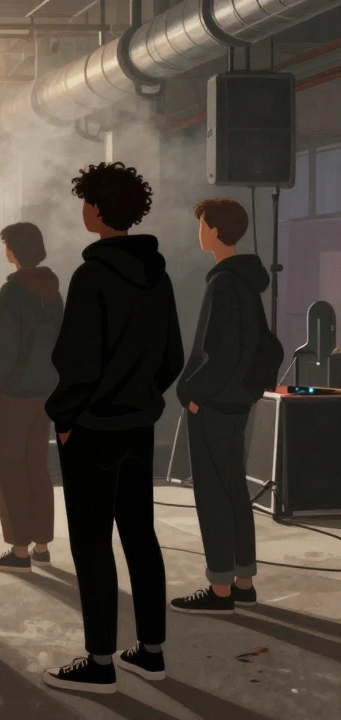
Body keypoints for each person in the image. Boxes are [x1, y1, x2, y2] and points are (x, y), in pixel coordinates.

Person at [42, 162, 184, 694]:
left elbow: (76, 361)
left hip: (92, 429)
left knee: (92, 544)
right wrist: (143, 398)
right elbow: (173, 355)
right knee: (141, 537)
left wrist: (66, 418)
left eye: (86, 203)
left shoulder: (92, 275)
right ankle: (151, 653)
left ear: (99, 210)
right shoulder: (160, 276)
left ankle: (99, 662)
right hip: (138, 427)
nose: (82, 211)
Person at [171, 199, 269, 615]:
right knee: (234, 491)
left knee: (213, 494)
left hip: (213, 405)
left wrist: (194, 394)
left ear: (213, 230)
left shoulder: (223, 282)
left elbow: (216, 350)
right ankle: (243, 580)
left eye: (202, 225)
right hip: (237, 403)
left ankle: (220, 590)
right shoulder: (246, 281)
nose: (199, 232)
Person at [0, 222, 63, 574]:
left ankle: (19, 550)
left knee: (10, 470)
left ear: (13, 251)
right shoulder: (54, 291)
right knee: (36, 467)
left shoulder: (12, 292)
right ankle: (42, 544)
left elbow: (3, 350)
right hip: (45, 393)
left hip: (13, 396)